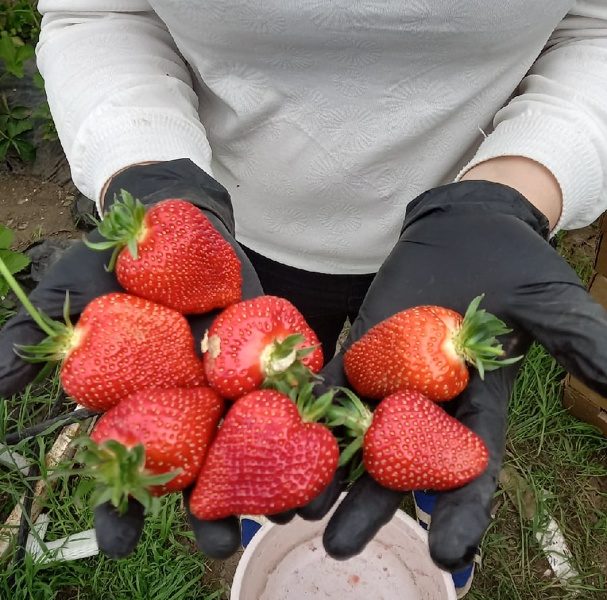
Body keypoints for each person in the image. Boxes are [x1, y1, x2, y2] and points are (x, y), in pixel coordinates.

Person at [3, 2, 607, 597]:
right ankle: (269, 501)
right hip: (234, 234)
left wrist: (523, 181)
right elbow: (102, 13)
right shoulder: (214, 291)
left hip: (460, 242)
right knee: (292, 406)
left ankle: (428, 495)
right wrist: (145, 164)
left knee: (429, 414)